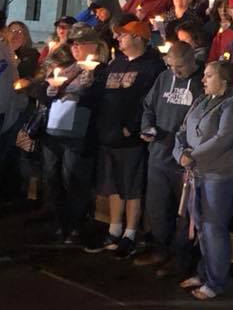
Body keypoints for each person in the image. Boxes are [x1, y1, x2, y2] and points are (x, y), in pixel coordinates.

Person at [86, 19, 164, 257]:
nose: (118, 39)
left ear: (138, 38)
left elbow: (149, 101)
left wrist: (132, 127)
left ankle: (130, 233)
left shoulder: (152, 67)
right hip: (108, 135)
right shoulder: (115, 63)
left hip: (130, 138)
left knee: (131, 187)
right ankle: (114, 229)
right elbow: (103, 94)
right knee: (113, 185)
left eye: (124, 35)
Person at [173, 59, 233, 300]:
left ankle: (217, 280)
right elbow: (182, 131)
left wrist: (192, 156)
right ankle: (205, 271)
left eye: (208, 76)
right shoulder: (200, 100)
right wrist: (180, 154)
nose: (203, 80)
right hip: (198, 172)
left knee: (213, 226)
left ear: (224, 81)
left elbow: (224, 137)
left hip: (222, 174)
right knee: (201, 223)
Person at [136, 42, 205, 272]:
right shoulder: (164, 78)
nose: (175, 72)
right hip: (158, 153)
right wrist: (147, 126)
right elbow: (148, 106)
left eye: (180, 67)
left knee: (184, 211)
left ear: (191, 61)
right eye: (171, 66)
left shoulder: (202, 82)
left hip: (185, 160)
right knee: (158, 206)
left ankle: (182, 258)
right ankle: (159, 250)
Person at [42, 27, 107, 243]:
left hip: (79, 134)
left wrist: (86, 90)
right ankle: (60, 222)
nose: (75, 47)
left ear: (94, 45)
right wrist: (51, 92)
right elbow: (47, 94)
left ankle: (76, 224)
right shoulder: (66, 69)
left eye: (80, 43)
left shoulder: (100, 70)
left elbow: (99, 100)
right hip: (56, 130)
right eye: (73, 44)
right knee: (53, 176)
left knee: (74, 178)